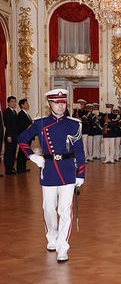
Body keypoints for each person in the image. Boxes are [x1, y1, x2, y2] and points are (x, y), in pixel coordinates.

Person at [17, 89, 85, 262]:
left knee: (64, 210)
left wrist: (81, 174)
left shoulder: (74, 124)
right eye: (56, 102)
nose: (60, 105)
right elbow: (22, 139)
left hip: (68, 169)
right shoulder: (40, 123)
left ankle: (63, 246)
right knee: (48, 208)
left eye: (63, 102)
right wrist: (32, 156)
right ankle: (52, 236)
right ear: (50, 104)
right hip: (48, 169)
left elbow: (79, 150)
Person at [16, 98, 32, 173]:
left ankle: (23, 168)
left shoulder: (26, 114)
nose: (28, 105)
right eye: (26, 103)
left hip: (27, 137)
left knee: (24, 153)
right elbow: (22, 127)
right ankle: (20, 169)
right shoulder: (21, 114)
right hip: (24, 137)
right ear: (22, 105)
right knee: (21, 153)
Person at [4, 96, 18, 175]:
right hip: (9, 136)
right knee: (8, 153)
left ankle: (11, 168)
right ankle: (8, 170)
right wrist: (9, 135)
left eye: (15, 101)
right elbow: (7, 124)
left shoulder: (14, 112)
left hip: (14, 135)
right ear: (8, 103)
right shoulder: (7, 111)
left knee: (13, 152)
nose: (14, 103)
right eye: (12, 101)